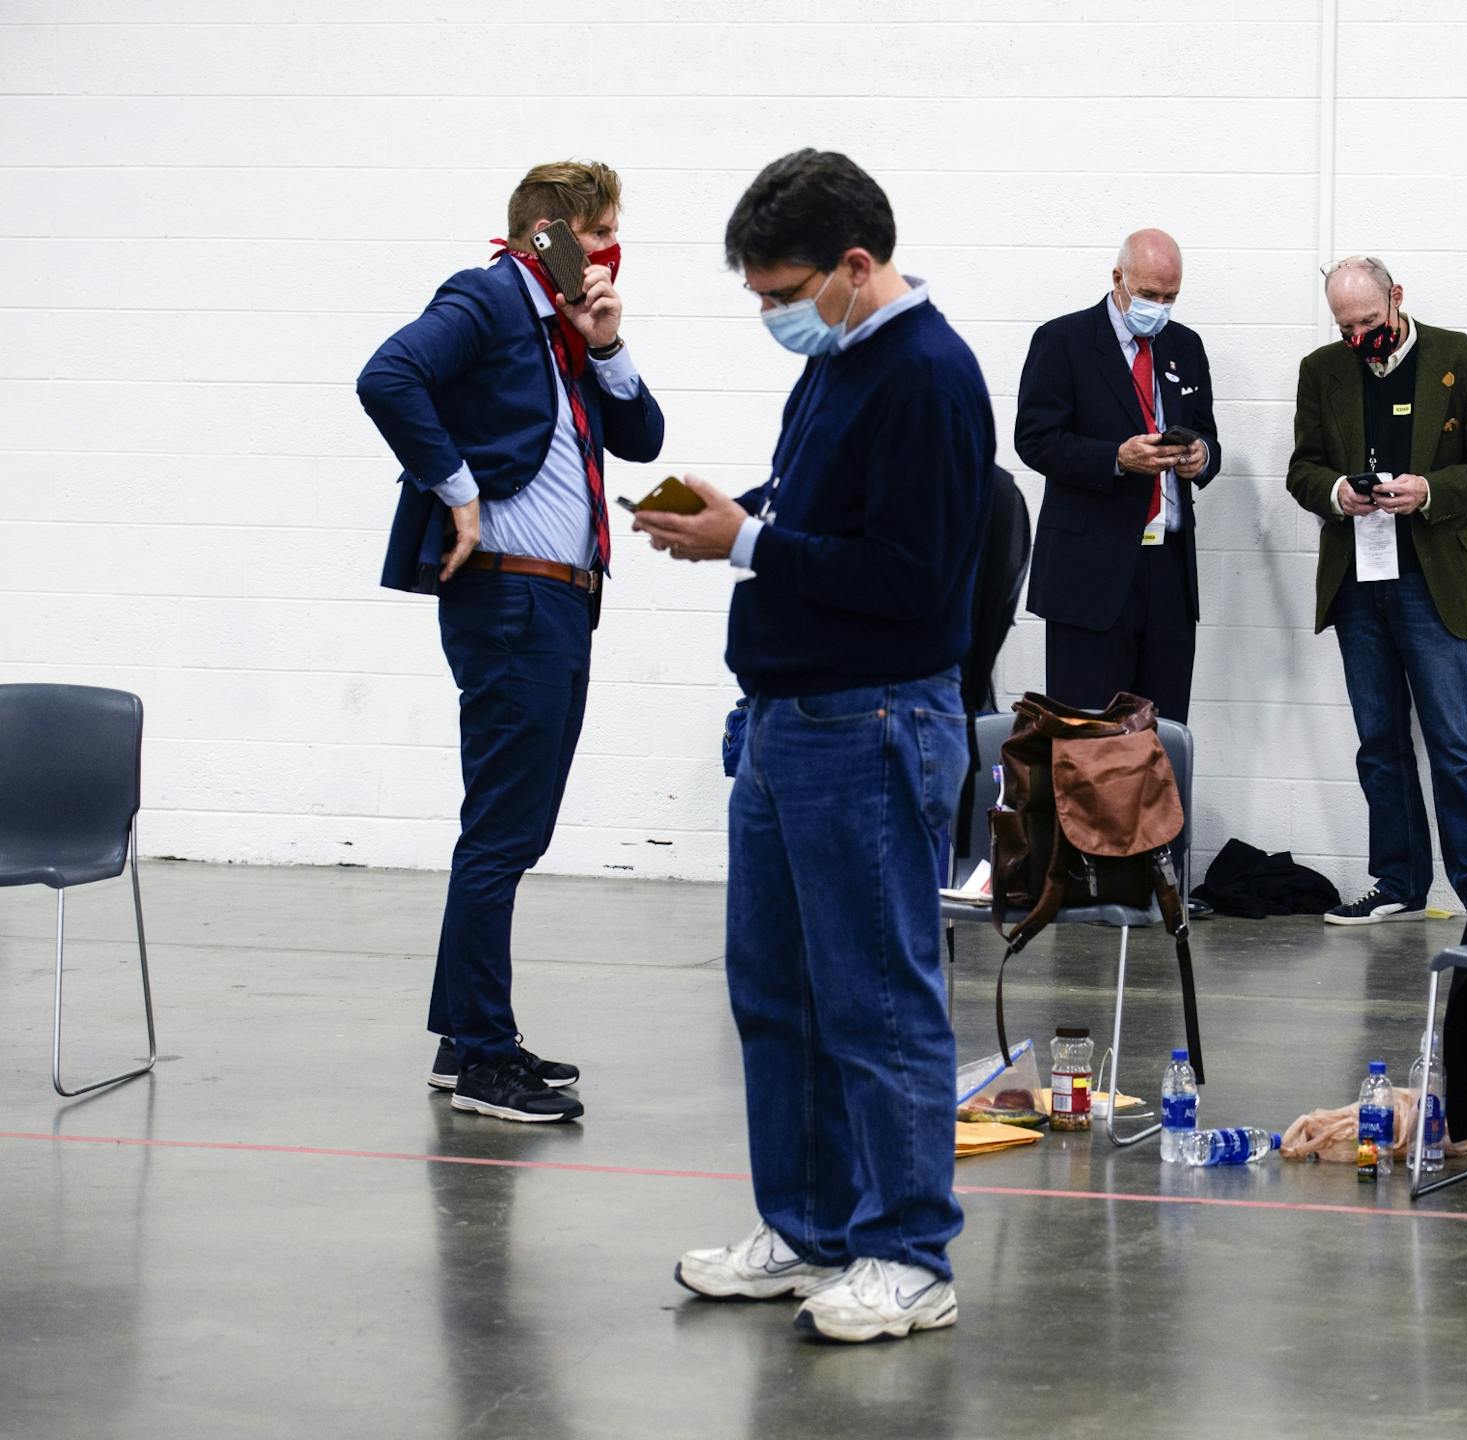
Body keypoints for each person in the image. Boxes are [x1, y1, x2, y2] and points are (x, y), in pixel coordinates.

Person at [633, 150, 991, 1344]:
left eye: (780, 292)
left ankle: (909, 1253)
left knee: (878, 998)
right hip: (789, 720)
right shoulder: (838, 367)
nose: (773, 315)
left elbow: (912, 577)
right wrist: (731, 517)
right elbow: (813, 507)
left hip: (875, 717)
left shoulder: (929, 377)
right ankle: (809, 1226)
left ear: (852, 266)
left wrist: (746, 547)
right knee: (777, 990)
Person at [357, 159, 664, 1121]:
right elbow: (388, 373)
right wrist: (454, 490)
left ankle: (468, 1038)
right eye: (599, 233)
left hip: (561, 603)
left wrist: (606, 344)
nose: (610, 252)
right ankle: (486, 1055)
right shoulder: (490, 297)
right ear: (552, 235)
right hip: (511, 604)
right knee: (501, 831)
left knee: (512, 829)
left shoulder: (562, 325)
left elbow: (644, 437)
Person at [1285, 257, 1467, 925]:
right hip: (1358, 579)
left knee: (1450, 740)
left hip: (1432, 576)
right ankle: (1397, 881)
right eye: (1345, 326)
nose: (1360, 337)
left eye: (1369, 321)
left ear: (1398, 300)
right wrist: (1336, 492)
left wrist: (1431, 491)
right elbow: (1302, 469)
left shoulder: (1464, 361)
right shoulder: (1321, 371)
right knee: (1378, 741)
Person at [1014, 229, 1220, 722]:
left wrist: (1202, 457)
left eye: (1170, 297)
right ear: (1118, 279)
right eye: (1149, 294)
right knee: (1090, 738)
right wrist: (1115, 458)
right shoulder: (1063, 340)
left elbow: (1208, 435)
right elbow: (1035, 439)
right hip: (1090, 571)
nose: (1159, 306)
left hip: (1168, 570)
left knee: (1164, 729)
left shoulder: (1185, 346)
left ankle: (1163, 805)